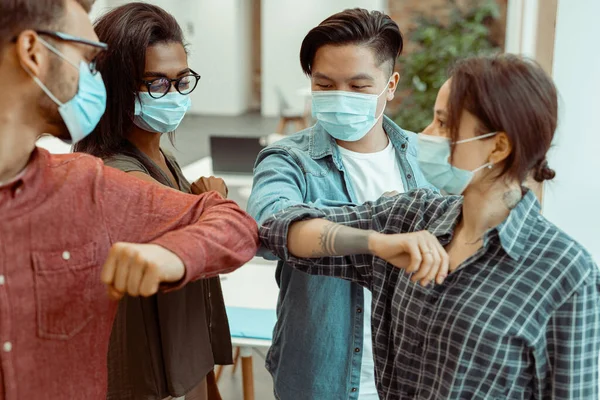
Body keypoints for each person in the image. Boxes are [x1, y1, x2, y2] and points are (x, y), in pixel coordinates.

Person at [258, 54, 600, 399]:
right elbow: (279, 229)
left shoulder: (566, 274)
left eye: (443, 124)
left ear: (497, 146)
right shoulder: (412, 217)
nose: (425, 135)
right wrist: (375, 242)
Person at [0, 1, 259, 399]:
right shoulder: (106, 175)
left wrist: (177, 250)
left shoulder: (87, 181)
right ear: (33, 53)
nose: (92, 78)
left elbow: (234, 227)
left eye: (181, 80)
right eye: (87, 59)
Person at [247, 8, 434, 399]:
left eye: (359, 86)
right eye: (325, 84)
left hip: (413, 376)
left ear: (391, 84)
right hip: (321, 379)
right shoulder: (287, 159)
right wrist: (376, 231)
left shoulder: (424, 157)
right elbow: (270, 227)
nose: (340, 98)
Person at [74, 4, 229, 399]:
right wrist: (213, 204)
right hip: (151, 372)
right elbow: (213, 235)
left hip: (185, 351)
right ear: (116, 85)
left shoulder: (161, 155)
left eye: (181, 81)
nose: (173, 94)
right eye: (155, 84)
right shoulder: (116, 172)